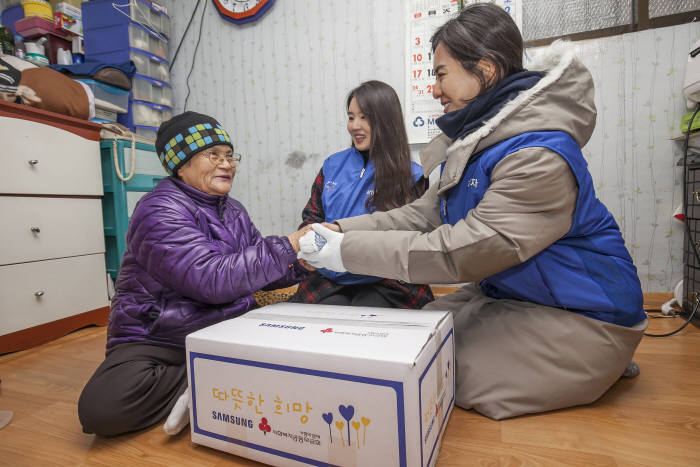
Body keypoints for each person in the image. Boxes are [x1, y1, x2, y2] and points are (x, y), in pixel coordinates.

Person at [299, 4, 648, 420]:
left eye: (441, 74)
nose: (434, 89)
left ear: (484, 69)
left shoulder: (536, 155)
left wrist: (343, 251)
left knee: (441, 372)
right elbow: (420, 215)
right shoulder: (476, 142)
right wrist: (336, 228)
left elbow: (461, 252)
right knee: (409, 339)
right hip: (514, 293)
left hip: (583, 312)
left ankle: (602, 358)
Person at [78, 111, 309, 436]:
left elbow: (258, 271)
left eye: (230, 155)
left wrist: (300, 263)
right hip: (160, 336)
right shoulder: (159, 210)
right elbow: (210, 280)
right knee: (101, 409)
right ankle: (210, 375)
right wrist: (287, 246)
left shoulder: (233, 210)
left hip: (228, 325)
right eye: (213, 155)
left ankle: (209, 378)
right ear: (181, 164)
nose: (227, 164)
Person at [288, 80, 434, 309]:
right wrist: (308, 247)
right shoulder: (331, 165)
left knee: (368, 311)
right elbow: (312, 217)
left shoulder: (412, 175)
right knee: (325, 316)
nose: (354, 125)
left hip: (386, 280)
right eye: (350, 117)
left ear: (386, 121)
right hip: (330, 276)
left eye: (364, 117)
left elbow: (407, 237)